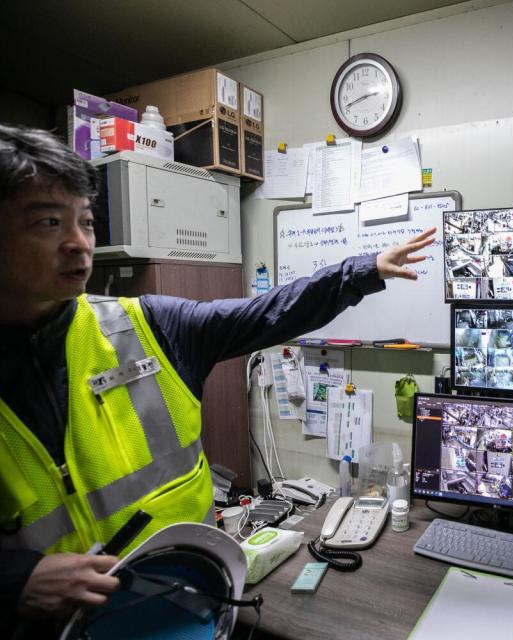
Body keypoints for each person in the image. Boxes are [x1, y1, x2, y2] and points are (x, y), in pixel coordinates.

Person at [0, 123, 436, 633]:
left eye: (87, 222)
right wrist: (15, 579)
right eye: (50, 222)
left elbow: (266, 313)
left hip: (191, 606)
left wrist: (363, 271)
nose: (79, 244)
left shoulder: (149, 326)